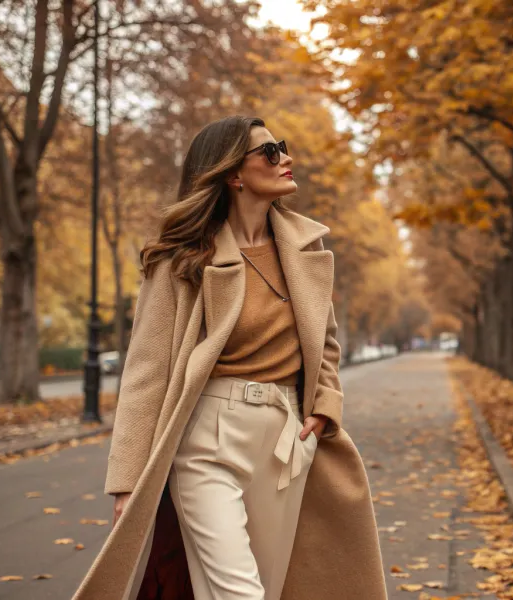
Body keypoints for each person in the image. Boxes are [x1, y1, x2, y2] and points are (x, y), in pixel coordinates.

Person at [72, 116, 387, 600]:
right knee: (238, 592)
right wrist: (127, 481)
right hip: (205, 439)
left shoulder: (304, 249)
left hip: (286, 438)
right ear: (233, 174)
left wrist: (324, 408)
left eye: (282, 146)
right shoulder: (182, 257)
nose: (285, 158)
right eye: (269, 151)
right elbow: (146, 370)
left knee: (269, 585)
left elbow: (324, 342)